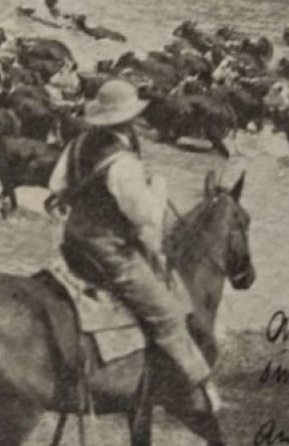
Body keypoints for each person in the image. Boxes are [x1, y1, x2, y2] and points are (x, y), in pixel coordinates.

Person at [46, 80, 223, 422]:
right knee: (167, 311)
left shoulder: (79, 143)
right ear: (129, 119)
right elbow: (148, 216)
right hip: (109, 250)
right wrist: (157, 186)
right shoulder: (123, 163)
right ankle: (199, 385)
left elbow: (57, 185)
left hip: (73, 241)